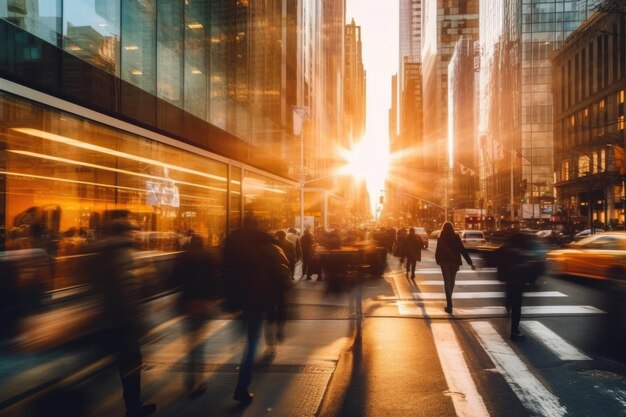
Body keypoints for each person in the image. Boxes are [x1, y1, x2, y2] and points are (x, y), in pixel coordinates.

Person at [91, 218, 156, 417]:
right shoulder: (124, 255)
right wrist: (139, 320)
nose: (135, 234)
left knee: (122, 363)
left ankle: (133, 405)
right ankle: (133, 408)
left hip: (107, 318)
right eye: (133, 231)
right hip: (124, 321)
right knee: (132, 363)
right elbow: (128, 291)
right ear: (125, 233)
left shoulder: (102, 254)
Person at [222, 218, 290, 404]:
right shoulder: (268, 247)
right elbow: (282, 277)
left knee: (244, 339)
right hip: (258, 302)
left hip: (238, 300)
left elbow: (224, 272)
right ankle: (242, 388)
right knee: (251, 344)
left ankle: (239, 373)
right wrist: (280, 306)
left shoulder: (232, 243)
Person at [169, 234, 219, 397]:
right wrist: (211, 298)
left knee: (190, 341)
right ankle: (198, 379)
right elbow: (214, 279)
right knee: (199, 343)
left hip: (188, 303)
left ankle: (190, 377)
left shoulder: (183, 256)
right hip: (203, 303)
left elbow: (174, 279)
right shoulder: (209, 256)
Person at [488, 232, 545, 339]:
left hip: (508, 279)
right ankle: (515, 330)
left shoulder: (505, 249)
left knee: (510, 293)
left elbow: (491, 260)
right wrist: (532, 280)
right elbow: (534, 266)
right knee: (517, 306)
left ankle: (507, 304)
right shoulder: (524, 251)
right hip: (519, 280)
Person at [435, 221, 475, 314]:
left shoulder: (441, 237)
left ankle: (449, 305)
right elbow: (462, 249)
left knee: (447, 282)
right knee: (452, 282)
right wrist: (470, 263)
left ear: (443, 228)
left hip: (444, 262)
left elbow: (438, 250)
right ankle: (449, 302)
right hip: (454, 262)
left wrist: (437, 260)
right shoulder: (456, 237)